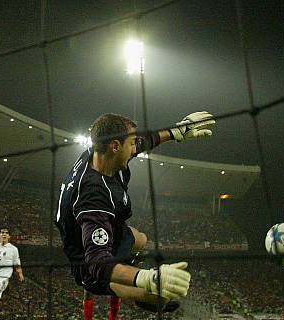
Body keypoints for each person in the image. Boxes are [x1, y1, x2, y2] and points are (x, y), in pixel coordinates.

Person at [55, 112, 214, 309]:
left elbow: (144, 142)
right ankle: (124, 282)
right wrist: (147, 277)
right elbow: (96, 261)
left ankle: (126, 266)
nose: (135, 147)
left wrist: (175, 132)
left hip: (104, 227)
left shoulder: (100, 154)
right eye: (131, 143)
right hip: (86, 262)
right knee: (161, 298)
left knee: (140, 238)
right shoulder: (94, 196)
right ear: (115, 146)